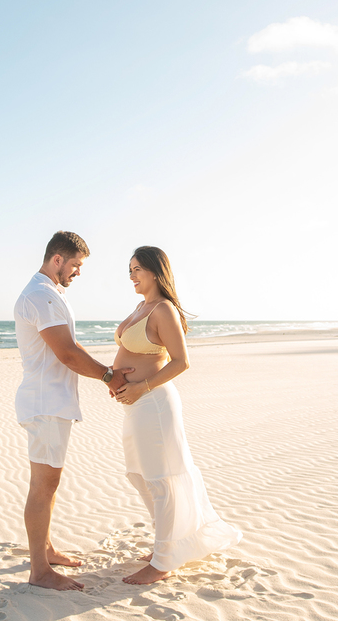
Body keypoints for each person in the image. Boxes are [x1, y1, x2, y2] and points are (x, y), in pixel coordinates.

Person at [112, 246, 242, 584]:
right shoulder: (141, 307)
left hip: (154, 403)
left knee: (161, 478)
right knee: (140, 474)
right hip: (136, 405)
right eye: (129, 270)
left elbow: (181, 362)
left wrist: (141, 387)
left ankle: (163, 562)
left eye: (137, 269)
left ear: (155, 272)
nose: (132, 276)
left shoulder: (163, 309)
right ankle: (166, 543)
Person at [13, 230, 134, 592]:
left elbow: (70, 344)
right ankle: (39, 571)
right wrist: (109, 375)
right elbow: (66, 353)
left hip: (51, 401)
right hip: (45, 402)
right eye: (76, 265)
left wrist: (106, 372)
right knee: (43, 485)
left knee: (48, 483)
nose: (78, 272)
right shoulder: (40, 295)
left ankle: (46, 550)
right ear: (57, 260)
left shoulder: (50, 293)